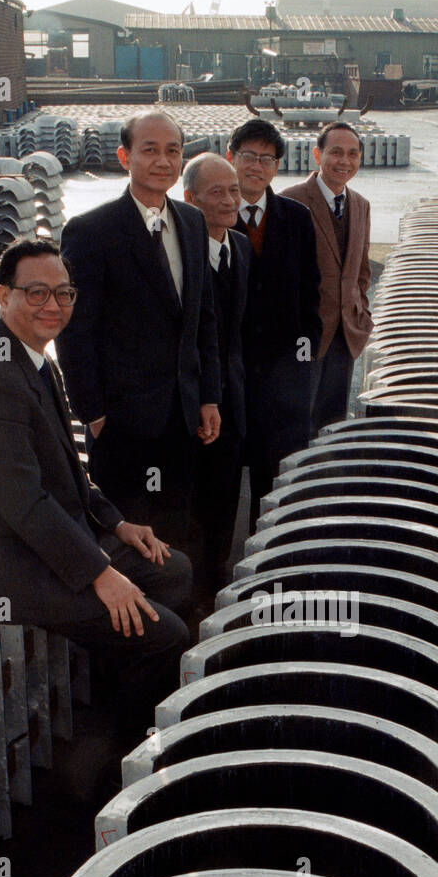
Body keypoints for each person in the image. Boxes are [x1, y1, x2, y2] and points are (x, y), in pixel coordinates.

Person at [0, 236, 192, 745]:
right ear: (1, 294)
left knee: (175, 571)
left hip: (52, 543)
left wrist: (117, 523)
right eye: (36, 293)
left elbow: (68, 473)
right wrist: (102, 574)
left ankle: (110, 687)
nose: (53, 306)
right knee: (167, 636)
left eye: (63, 293)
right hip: (13, 570)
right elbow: (26, 506)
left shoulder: (30, 356)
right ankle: (129, 757)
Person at [56, 111, 221, 558]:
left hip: (183, 414)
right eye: (150, 150)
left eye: (173, 151)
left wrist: (208, 396)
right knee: (126, 535)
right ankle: (130, 622)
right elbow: (74, 332)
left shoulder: (191, 221)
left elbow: (202, 319)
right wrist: (92, 413)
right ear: (124, 156)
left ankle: (178, 617)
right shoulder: (91, 231)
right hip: (121, 420)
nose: (163, 161)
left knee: (178, 523)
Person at [227, 118, 323, 524]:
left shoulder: (296, 218)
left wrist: (302, 369)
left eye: (267, 158)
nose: (256, 166)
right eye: (248, 156)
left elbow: (309, 297)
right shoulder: (206, 215)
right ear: (230, 157)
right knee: (221, 478)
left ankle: (264, 563)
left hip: (281, 377)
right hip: (227, 375)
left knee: (274, 481)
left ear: (277, 166)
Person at [182, 152, 251, 604]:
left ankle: (215, 584)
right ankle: (185, 589)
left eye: (234, 191)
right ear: (190, 200)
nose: (230, 202)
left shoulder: (241, 247)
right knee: (189, 501)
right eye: (217, 193)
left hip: (233, 399)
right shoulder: (176, 254)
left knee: (226, 495)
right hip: (187, 402)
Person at [281, 120, 373, 434]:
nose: (344, 162)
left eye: (352, 154)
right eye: (336, 152)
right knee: (294, 421)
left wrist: (360, 310)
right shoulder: (289, 201)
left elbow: (361, 270)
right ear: (318, 156)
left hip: (344, 335)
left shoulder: (361, 205)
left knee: (332, 421)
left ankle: (327, 480)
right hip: (301, 336)